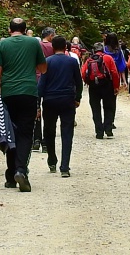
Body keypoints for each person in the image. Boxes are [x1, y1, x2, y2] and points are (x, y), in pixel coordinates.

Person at [0, 17, 47, 192]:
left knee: (10, 133)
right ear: (24, 29)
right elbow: (43, 69)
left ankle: (10, 176)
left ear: (9, 30)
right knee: (25, 134)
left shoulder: (1, 45)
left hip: (8, 93)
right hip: (29, 92)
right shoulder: (33, 43)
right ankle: (21, 170)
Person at [38, 34, 82, 177]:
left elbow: (41, 84)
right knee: (67, 132)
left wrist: (38, 103)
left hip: (50, 100)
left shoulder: (47, 61)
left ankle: (52, 160)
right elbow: (78, 82)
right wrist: (77, 98)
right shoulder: (72, 62)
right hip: (67, 99)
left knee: (49, 131)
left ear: (52, 47)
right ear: (65, 47)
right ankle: (65, 167)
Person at [82, 40, 119, 138]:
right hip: (107, 85)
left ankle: (99, 132)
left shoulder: (89, 60)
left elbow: (83, 73)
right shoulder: (108, 58)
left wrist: (88, 82)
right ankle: (108, 129)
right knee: (109, 107)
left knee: (96, 109)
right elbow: (114, 73)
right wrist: (116, 87)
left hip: (93, 86)